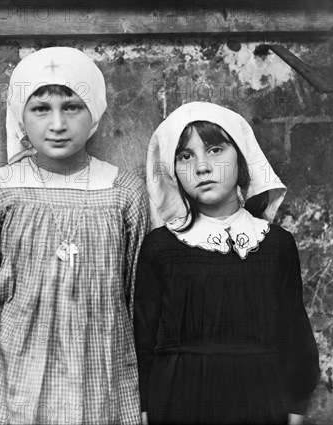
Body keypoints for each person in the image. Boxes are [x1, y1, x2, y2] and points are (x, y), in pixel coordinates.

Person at [0, 47, 151, 424]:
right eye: (41, 109)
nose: (57, 124)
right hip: (17, 366)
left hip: (101, 366)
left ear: (95, 112)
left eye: (72, 107)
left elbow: (137, 294)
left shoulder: (123, 191)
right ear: (21, 115)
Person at [135, 101, 320, 425]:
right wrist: (145, 407)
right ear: (172, 169)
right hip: (179, 398)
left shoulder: (276, 244)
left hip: (259, 398)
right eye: (185, 156)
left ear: (242, 157)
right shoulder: (161, 247)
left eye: (215, 149)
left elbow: (295, 333)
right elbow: (143, 336)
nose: (202, 167)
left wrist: (295, 407)